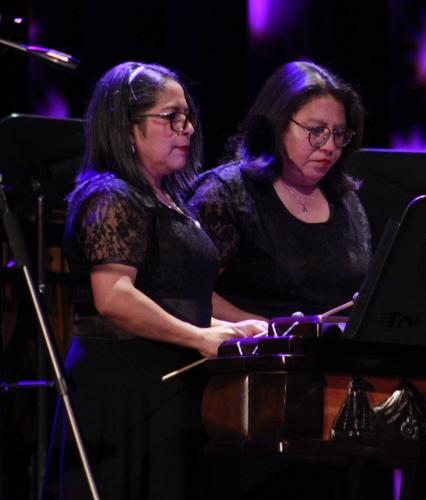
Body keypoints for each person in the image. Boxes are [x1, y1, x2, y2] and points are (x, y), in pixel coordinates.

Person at [45, 62, 267, 500]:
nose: (185, 129)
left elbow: (185, 288)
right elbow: (114, 297)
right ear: (127, 127)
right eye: (171, 118)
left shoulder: (168, 199)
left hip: (169, 383)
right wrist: (200, 337)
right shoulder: (110, 194)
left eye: (187, 117)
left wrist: (258, 325)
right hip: (125, 387)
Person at [186, 61, 371, 321]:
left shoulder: (345, 199)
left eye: (339, 133)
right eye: (316, 131)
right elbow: (185, 291)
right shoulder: (225, 195)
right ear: (277, 125)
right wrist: (264, 327)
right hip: (254, 355)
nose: (330, 146)